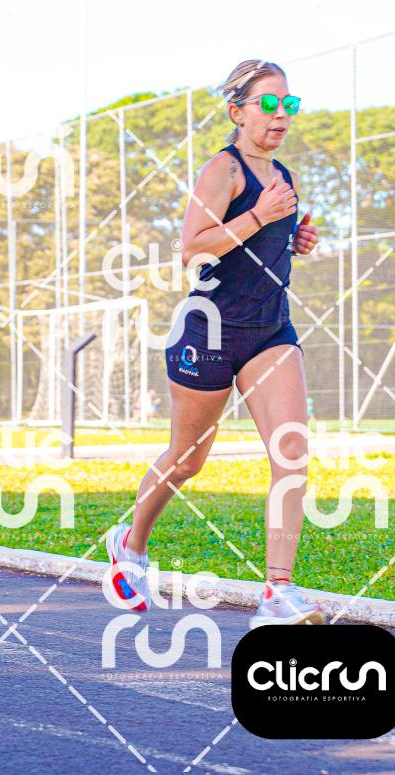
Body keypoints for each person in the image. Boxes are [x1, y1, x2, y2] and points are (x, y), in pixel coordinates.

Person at [106, 60, 323, 626]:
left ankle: (277, 593)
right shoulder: (223, 170)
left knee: (291, 453)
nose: (281, 114)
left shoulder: (284, 175)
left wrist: (294, 238)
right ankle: (130, 543)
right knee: (187, 460)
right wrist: (260, 216)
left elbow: (260, 248)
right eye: (268, 104)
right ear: (237, 111)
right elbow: (193, 250)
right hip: (209, 331)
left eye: (289, 104)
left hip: (270, 331)